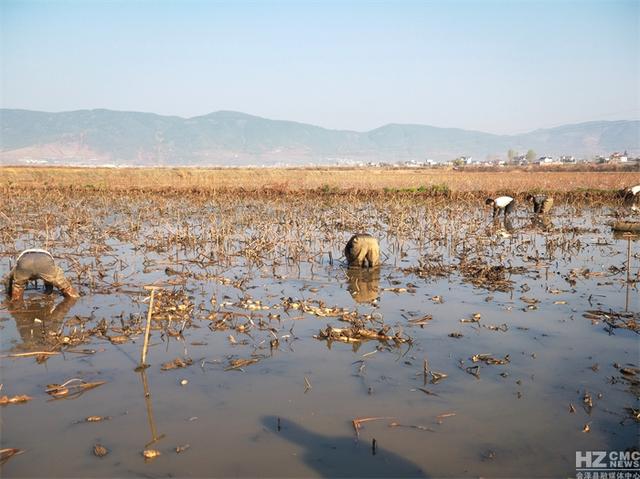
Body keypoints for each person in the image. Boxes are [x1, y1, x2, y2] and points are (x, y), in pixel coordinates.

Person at [4, 249, 79, 301]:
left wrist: (8, 294)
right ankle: (74, 298)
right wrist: (49, 291)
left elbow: (8, 280)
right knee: (61, 283)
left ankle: (16, 305)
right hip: (45, 260)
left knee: (18, 287)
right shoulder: (51, 264)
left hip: (25, 262)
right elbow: (49, 280)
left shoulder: (16, 268)